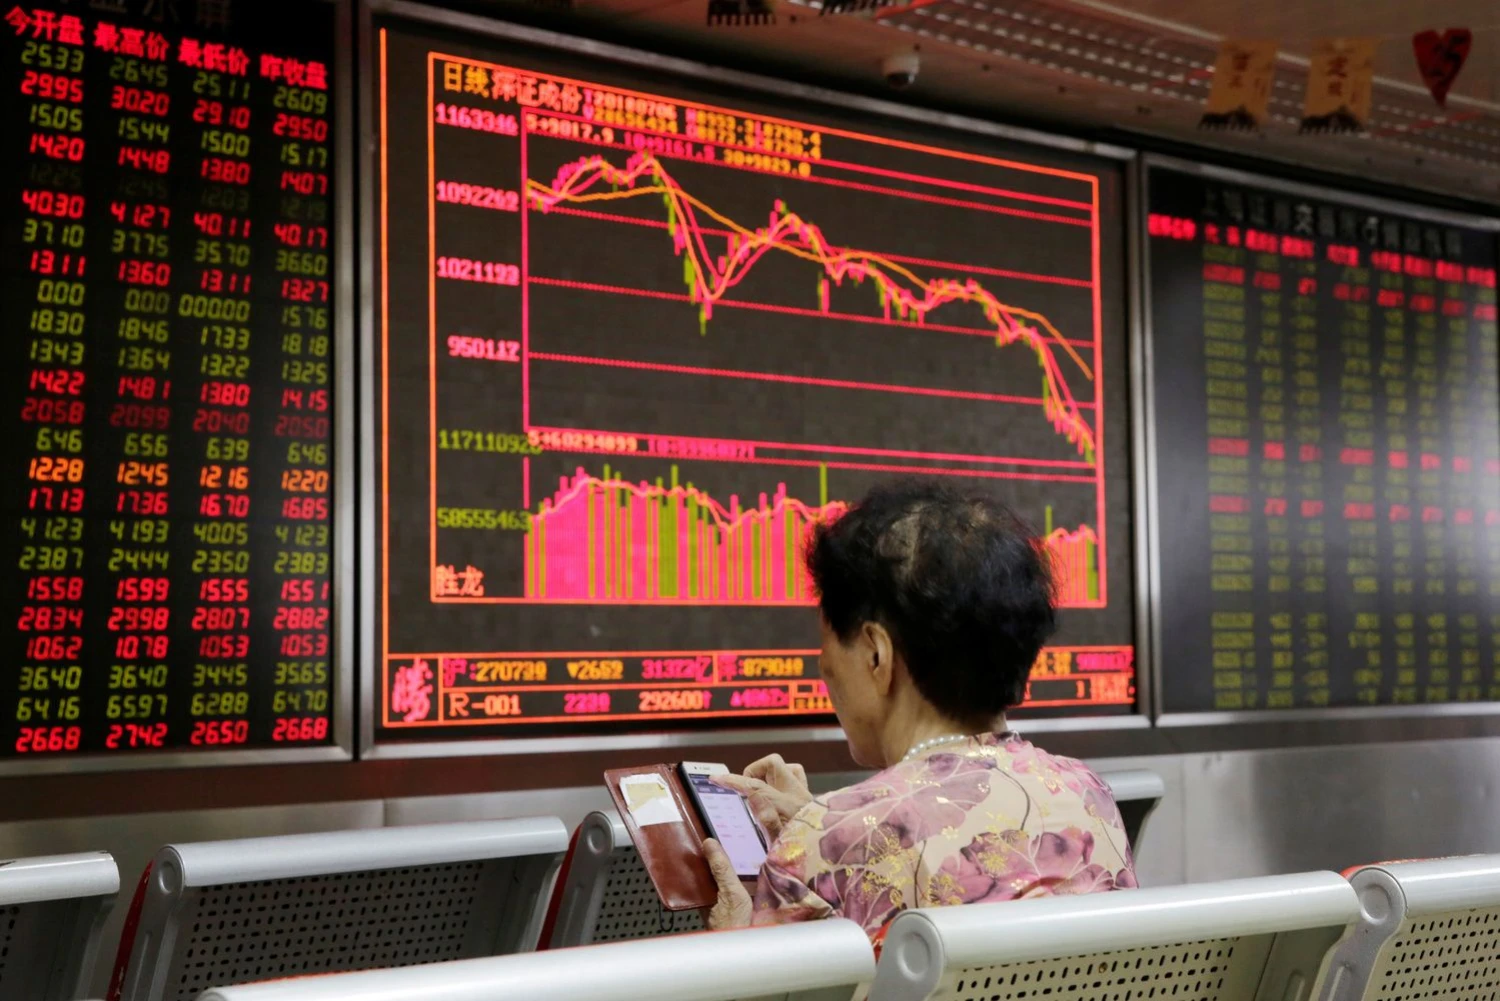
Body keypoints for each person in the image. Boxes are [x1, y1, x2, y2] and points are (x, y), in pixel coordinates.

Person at [700, 480, 1136, 938]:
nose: (824, 665)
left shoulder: (831, 842)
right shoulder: (1088, 795)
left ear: (876, 655)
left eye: (827, 642)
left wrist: (732, 941)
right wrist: (834, 826)